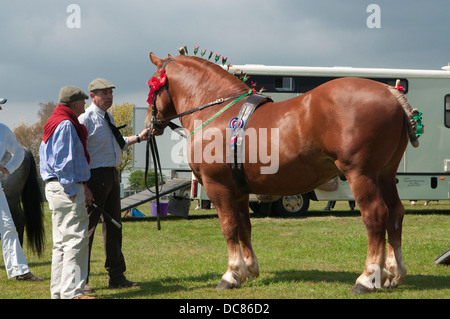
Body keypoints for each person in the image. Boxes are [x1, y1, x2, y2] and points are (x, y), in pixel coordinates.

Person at [79, 78, 149, 292]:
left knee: (114, 226)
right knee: (88, 230)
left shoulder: (107, 116)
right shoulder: (85, 119)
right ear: (93, 96)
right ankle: (81, 280)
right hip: (93, 177)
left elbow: (118, 143)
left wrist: (139, 137)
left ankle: (116, 276)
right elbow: (78, 153)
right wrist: (84, 186)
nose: (109, 96)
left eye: (111, 92)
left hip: (111, 175)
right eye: (104, 93)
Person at [39, 87, 94, 299]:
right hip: (66, 188)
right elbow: (63, 163)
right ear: (74, 104)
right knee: (75, 241)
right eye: (82, 101)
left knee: (61, 244)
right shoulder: (66, 125)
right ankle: (72, 293)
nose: (84, 104)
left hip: (54, 188)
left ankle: (59, 292)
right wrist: (73, 190)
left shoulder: (53, 123)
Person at [0, 99, 43, 282]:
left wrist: (8, 168)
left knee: (9, 227)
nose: (1, 108)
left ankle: (20, 271)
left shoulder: (3, 130)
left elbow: (18, 152)